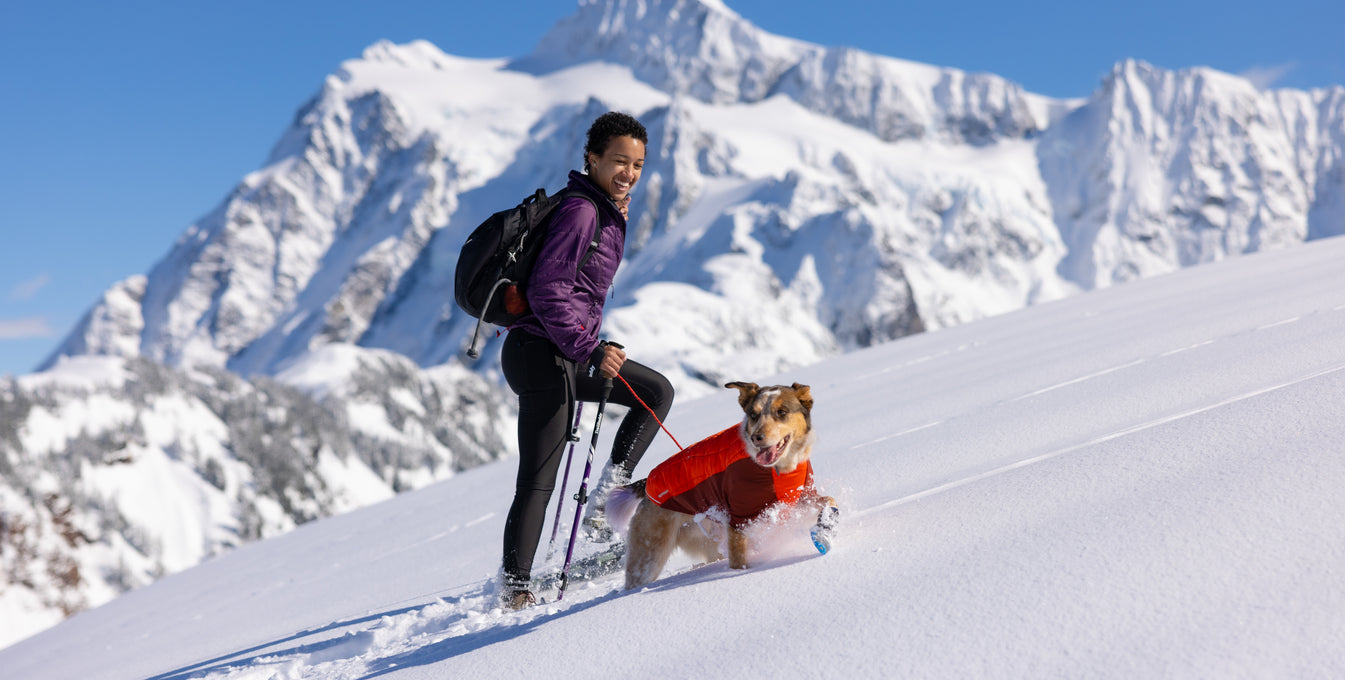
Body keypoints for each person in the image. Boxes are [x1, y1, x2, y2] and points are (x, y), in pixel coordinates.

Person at [498, 112, 675, 609]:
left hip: (565, 348)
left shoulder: (606, 209)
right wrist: (588, 347)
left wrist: (592, 339)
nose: (630, 172)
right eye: (619, 161)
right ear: (592, 159)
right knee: (539, 477)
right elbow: (548, 289)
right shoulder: (582, 211)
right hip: (540, 354)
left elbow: (573, 292)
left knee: (655, 393)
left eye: (638, 163)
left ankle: (604, 502)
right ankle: (515, 588)